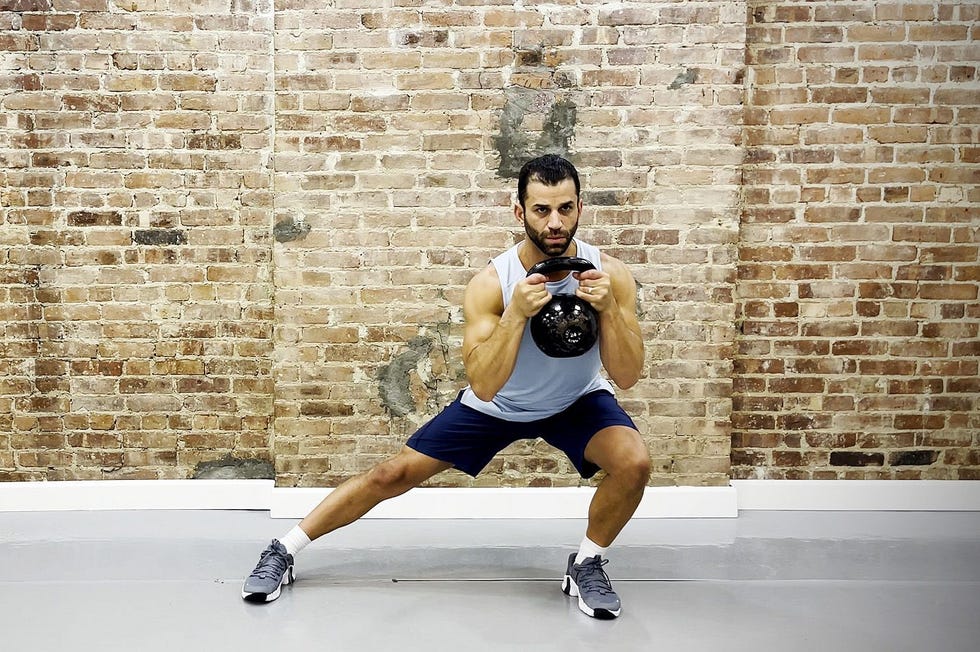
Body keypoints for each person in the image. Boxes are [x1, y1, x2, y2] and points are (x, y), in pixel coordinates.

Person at [242, 154, 650, 619]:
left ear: (580, 207)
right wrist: (516, 314)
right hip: (498, 406)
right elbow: (486, 384)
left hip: (577, 401)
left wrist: (611, 311)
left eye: (565, 208)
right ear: (520, 212)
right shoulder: (493, 284)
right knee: (391, 475)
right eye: (541, 210)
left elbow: (627, 375)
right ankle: (283, 549)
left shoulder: (609, 275)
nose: (555, 222)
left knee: (634, 462)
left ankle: (588, 561)